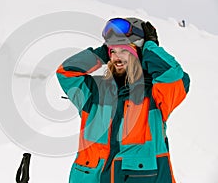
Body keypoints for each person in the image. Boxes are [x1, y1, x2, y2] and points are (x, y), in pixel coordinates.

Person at [56, 17, 190, 183]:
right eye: (112, 51)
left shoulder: (156, 95)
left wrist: (149, 46)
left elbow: (173, 76)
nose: (117, 57)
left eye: (124, 50)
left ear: (139, 53)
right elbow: (66, 72)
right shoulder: (94, 93)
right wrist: (101, 54)